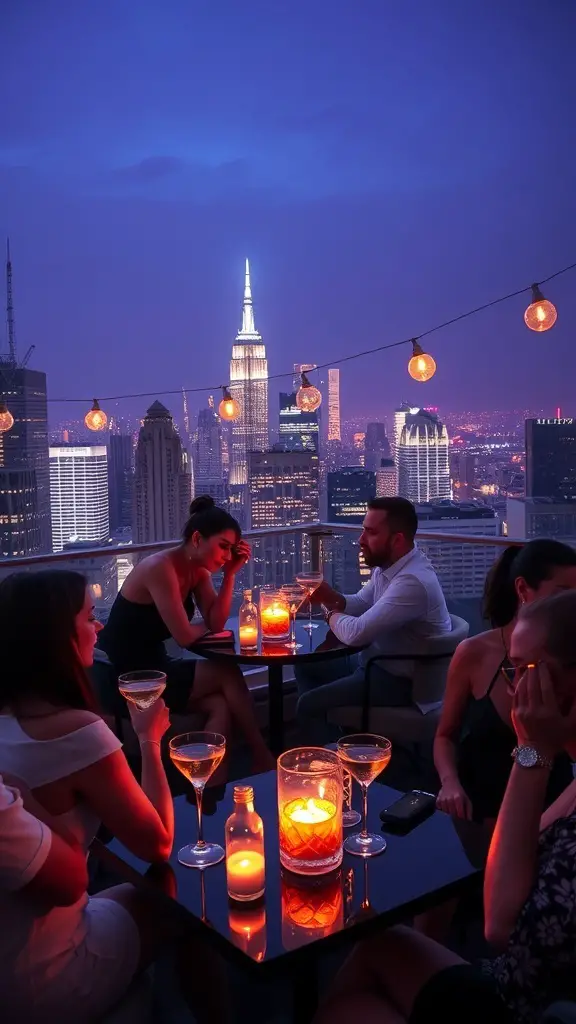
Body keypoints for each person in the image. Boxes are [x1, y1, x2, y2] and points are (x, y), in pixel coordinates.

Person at [313, 590, 576, 1024]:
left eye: (526, 671)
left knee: (354, 994)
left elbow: (499, 927)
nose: (517, 687)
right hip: (524, 982)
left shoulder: (545, 763)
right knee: (374, 945)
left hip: (527, 1004)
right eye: (512, 670)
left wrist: (532, 749)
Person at [0, 570, 229, 1024]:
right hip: (44, 971)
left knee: (141, 894)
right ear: (56, 638)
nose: (99, 626)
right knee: (188, 907)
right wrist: (148, 738)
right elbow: (158, 844)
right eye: (88, 617)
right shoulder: (80, 734)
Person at [99, 494, 273, 771]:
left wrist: (230, 574)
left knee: (219, 704)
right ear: (196, 539)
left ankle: (212, 785)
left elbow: (215, 622)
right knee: (226, 671)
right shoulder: (161, 568)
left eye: (231, 549)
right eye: (223, 547)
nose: (227, 555)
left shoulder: (197, 571)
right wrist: (204, 623)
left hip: (155, 666)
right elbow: (185, 636)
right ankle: (260, 752)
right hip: (128, 676)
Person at [435, 539, 576, 824]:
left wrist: (543, 828)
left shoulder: (571, 666)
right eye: (563, 594)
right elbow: (444, 735)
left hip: (553, 813)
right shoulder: (473, 654)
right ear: (523, 589)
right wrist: (450, 783)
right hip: (475, 811)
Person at [295, 497, 452, 736]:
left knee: (307, 705)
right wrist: (332, 596)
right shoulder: (388, 567)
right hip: (375, 665)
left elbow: (356, 634)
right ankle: (341, 741)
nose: (361, 540)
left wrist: (330, 613)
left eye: (370, 532)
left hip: (403, 682)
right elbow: (360, 602)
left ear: (397, 540)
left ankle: (330, 765)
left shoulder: (412, 581)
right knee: (306, 666)